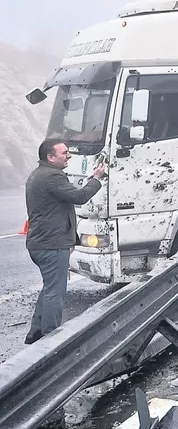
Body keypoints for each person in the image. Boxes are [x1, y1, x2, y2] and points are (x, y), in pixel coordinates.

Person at [25, 139, 107, 344]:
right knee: (55, 291)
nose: (69, 155)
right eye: (64, 153)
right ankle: (50, 339)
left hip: (41, 243)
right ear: (50, 157)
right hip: (52, 244)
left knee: (50, 287)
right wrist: (97, 178)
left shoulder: (39, 174)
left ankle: (36, 332)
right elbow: (79, 196)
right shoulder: (52, 177)